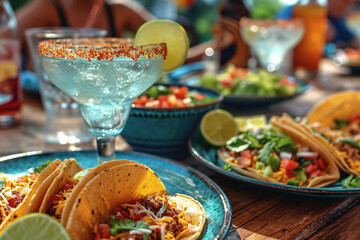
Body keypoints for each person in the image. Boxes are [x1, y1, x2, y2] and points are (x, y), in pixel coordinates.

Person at [277, 0, 358, 49]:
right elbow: (277, 36)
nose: (348, 7)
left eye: (351, 4)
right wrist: (311, 32)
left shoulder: (338, 20)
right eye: (345, 1)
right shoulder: (295, 10)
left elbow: (353, 40)